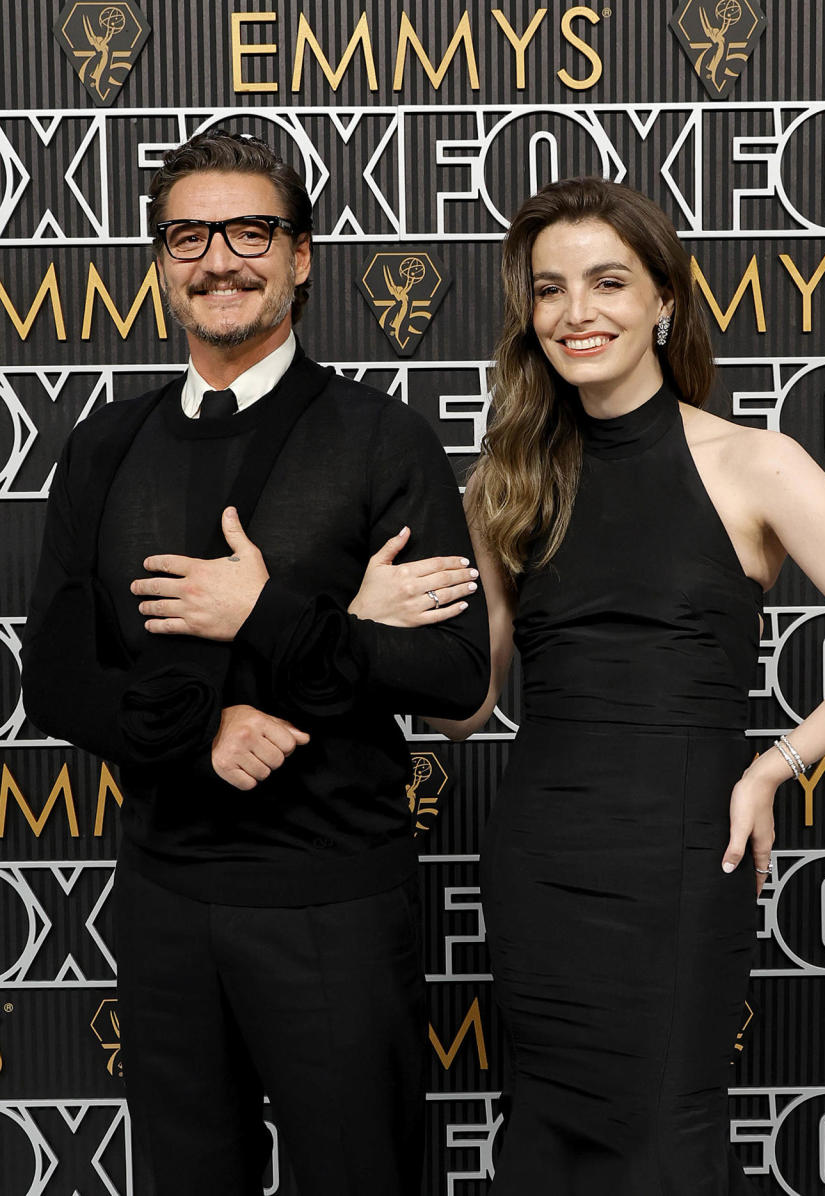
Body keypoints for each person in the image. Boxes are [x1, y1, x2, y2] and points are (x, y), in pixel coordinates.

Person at [349, 177, 825, 1193]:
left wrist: (774, 767)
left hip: (679, 853)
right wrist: (373, 622)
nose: (576, 313)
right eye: (550, 289)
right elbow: (466, 709)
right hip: (540, 853)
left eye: (607, 282)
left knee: (663, 1142)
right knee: (543, 1137)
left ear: (665, 299)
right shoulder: (508, 478)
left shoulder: (754, 463)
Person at [21, 129, 489, 1196]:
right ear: (158, 260)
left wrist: (266, 609)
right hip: (162, 898)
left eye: (250, 230)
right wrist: (206, 730)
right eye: (189, 234)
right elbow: (53, 677)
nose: (218, 258)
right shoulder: (103, 446)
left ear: (303, 254)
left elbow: (456, 672)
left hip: (335, 903)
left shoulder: (381, 437)